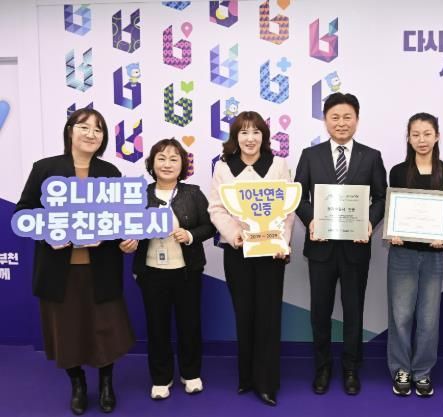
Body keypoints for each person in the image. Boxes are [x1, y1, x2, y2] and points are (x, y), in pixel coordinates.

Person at [14, 108, 135, 415]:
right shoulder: (45, 169)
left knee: (105, 330)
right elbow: (23, 212)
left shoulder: (109, 172)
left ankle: (106, 383)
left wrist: (125, 237)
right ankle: (77, 384)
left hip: (100, 268)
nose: (91, 134)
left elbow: (122, 218)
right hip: (59, 271)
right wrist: (48, 233)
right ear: (70, 130)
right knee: (66, 331)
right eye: (84, 127)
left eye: (98, 129)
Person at [294, 92, 387, 395]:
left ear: (357, 120)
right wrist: (311, 220)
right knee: (320, 312)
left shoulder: (371, 156)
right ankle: (322, 368)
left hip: (355, 248)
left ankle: (351, 369)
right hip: (321, 248)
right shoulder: (311, 155)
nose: (341, 122)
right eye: (335, 117)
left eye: (347, 117)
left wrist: (370, 222)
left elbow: (381, 197)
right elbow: (298, 196)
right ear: (325, 120)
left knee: (353, 311)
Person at [208, 111, 294, 406]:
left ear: (263, 137)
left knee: (268, 317)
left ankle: (267, 382)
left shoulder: (278, 164)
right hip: (238, 251)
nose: (250, 138)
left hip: (271, 252)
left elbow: (287, 209)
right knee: (244, 314)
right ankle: (246, 377)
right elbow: (216, 208)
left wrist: (283, 242)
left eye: (256, 132)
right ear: (236, 137)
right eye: (243, 132)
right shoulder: (223, 168)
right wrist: (234, 234)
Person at [125, 138, 215, 400]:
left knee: (190, 324)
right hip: (151, 271)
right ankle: (161, 378)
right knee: (157, 326)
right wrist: (127, 241)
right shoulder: (139, 195)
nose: (167, 164)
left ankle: (191, 373)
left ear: (182, 165)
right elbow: (126, 229)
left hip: (187, 271)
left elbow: (209, 226)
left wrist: (190, 235)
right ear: (152, 163)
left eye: (174, 159)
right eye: (161, 158)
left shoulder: (193, 193)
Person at [386, 113, 443, 397]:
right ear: (408, 138)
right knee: (401, 316)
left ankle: (423, 371)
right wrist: (393, 230)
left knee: (429, 318)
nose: (422, 140)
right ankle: (401, 369)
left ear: (437, 136)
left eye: (427, 134)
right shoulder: (398, 171)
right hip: (402, 253)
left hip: (433, 256)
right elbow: (393, 209)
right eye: (415, 134)